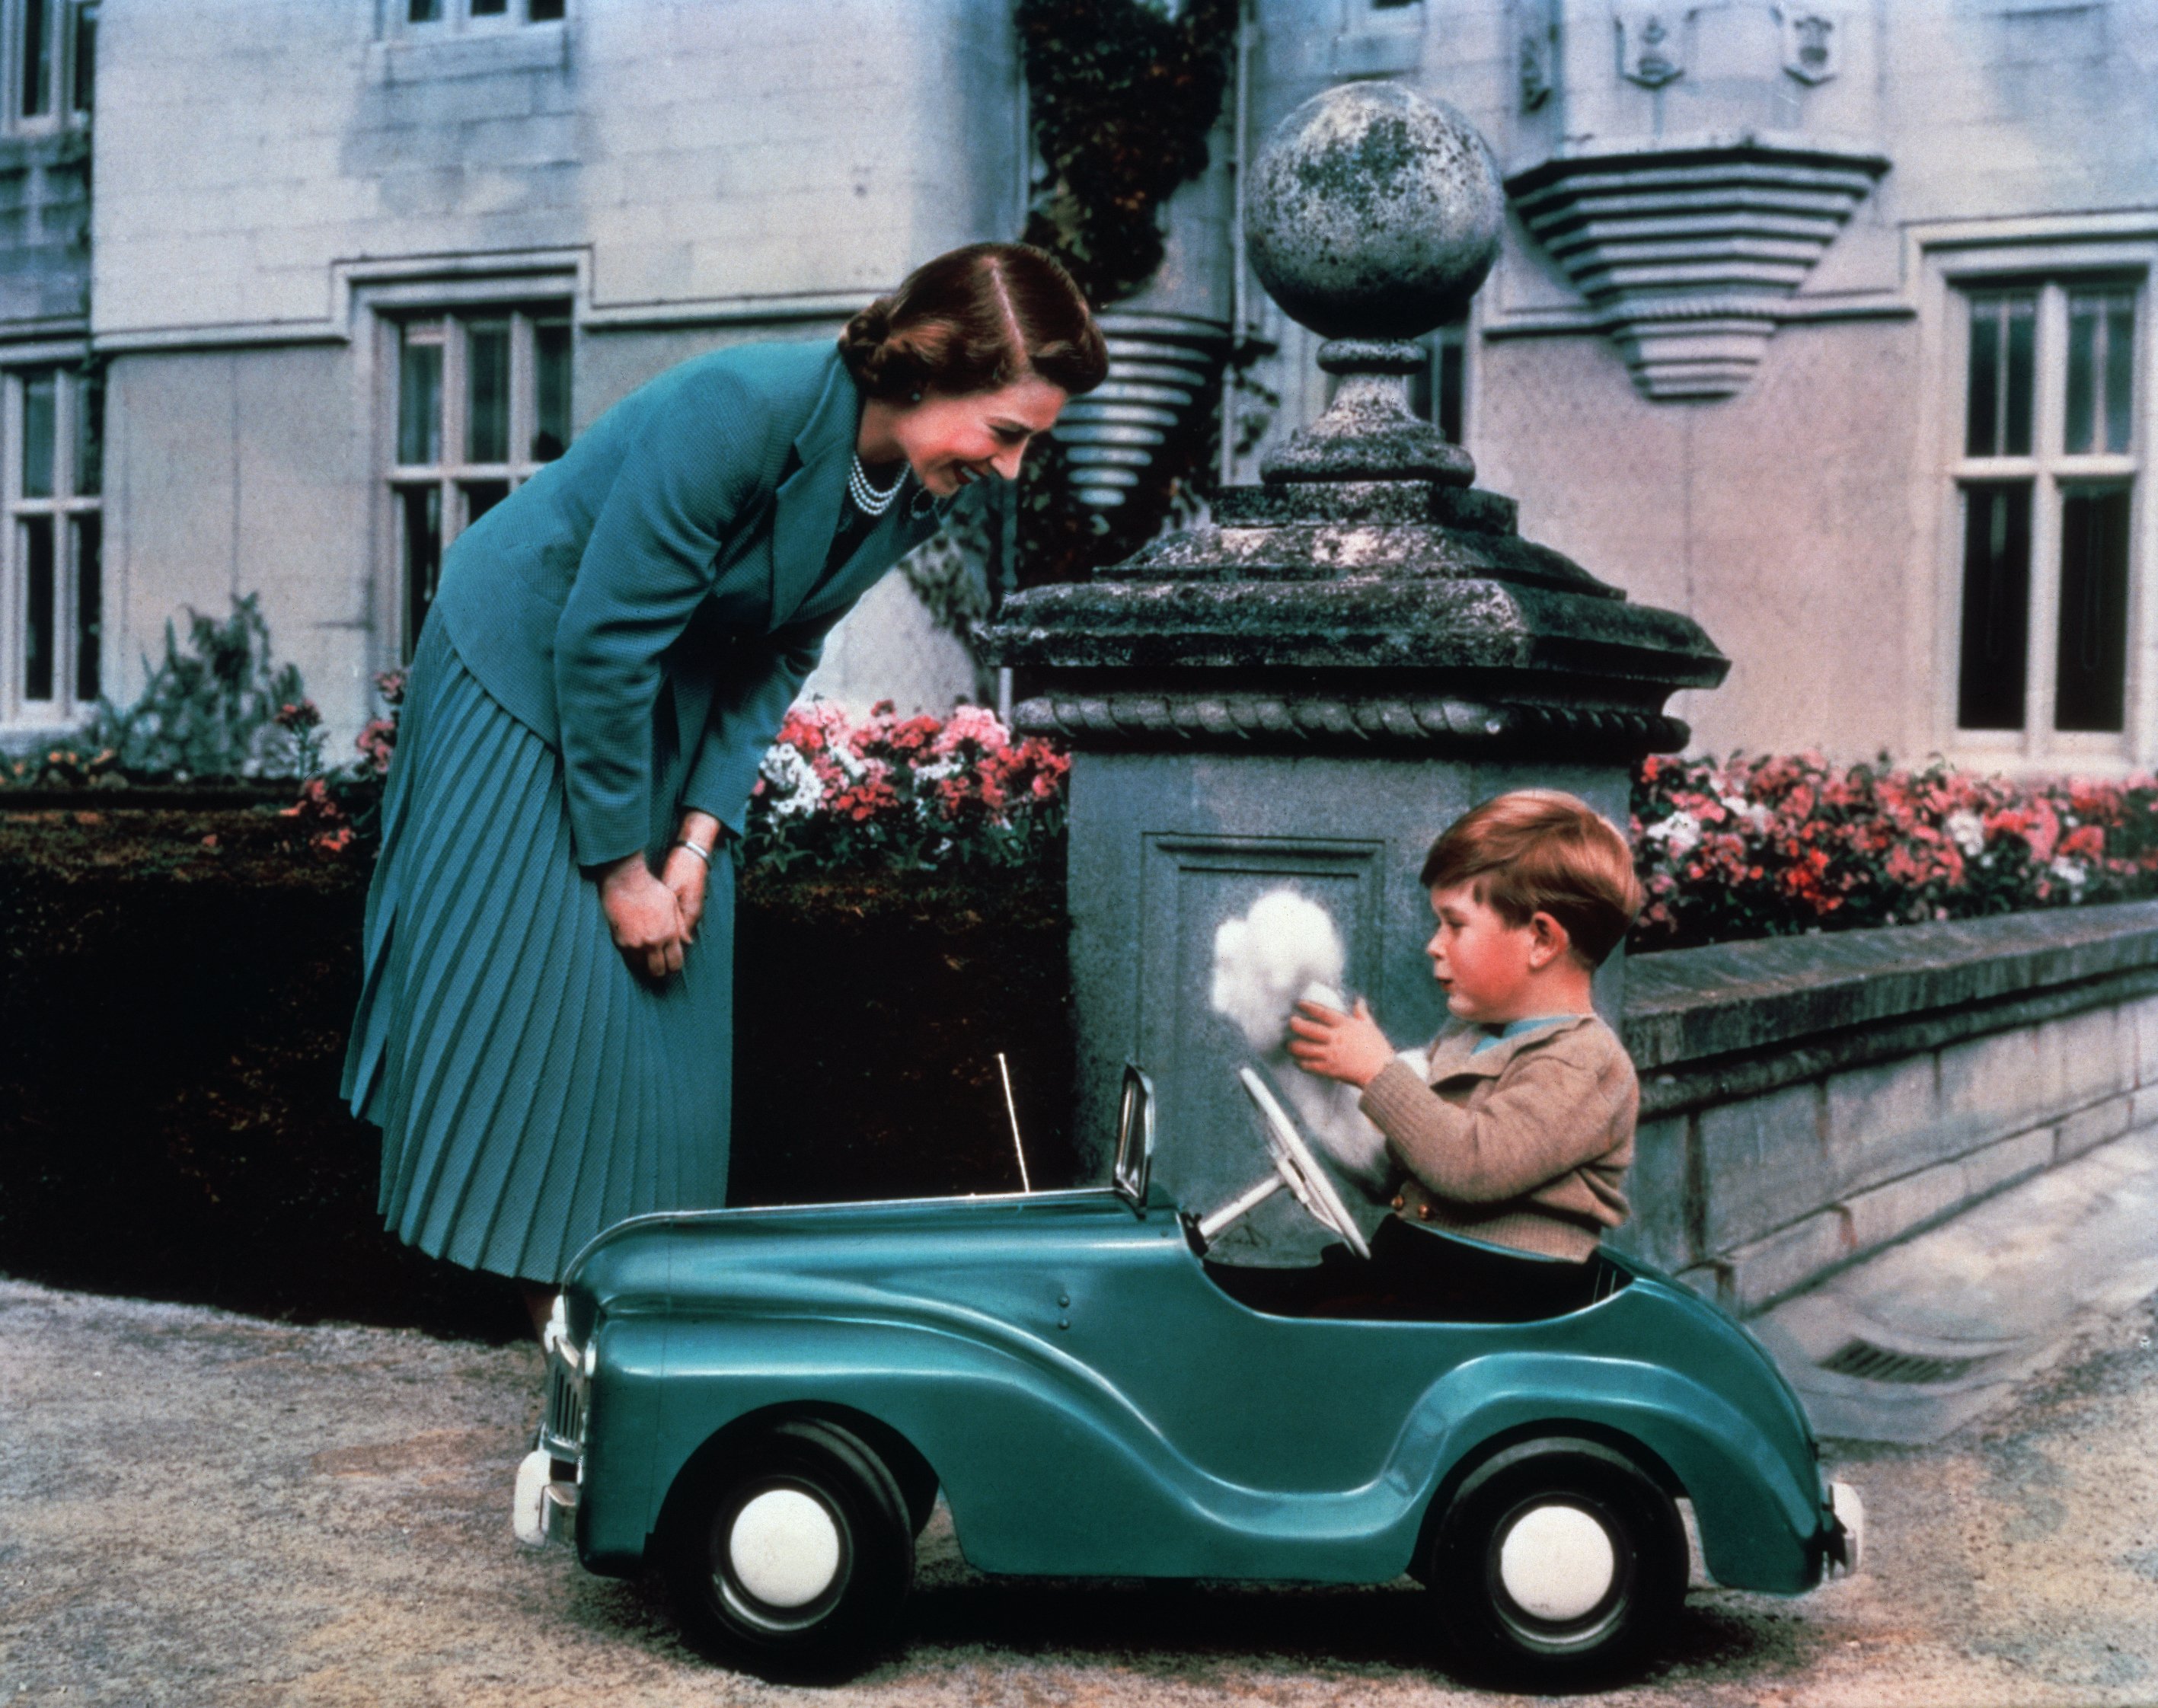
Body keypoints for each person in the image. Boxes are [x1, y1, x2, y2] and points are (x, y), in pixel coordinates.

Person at [340, 243, 1107, 1336]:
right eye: (1006, 432)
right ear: (924, 371)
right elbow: (601, 643)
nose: (1013, 469)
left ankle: (635, 1331)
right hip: (521, 665)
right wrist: (618, 870)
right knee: (553, 1005)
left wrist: (696, 841)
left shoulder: (912, 487)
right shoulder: (736, 407)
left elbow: (779, 656)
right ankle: (581, 1351)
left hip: (664, 687)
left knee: (666, 1024)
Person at [1287, 790, 1643, 1312]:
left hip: (1502, 1291)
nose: (1434, 944)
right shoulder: (1465, 1036)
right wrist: (1332, 1097)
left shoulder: (1585, 1062)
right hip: (1428, 1269)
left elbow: (1472, 1166)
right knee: (1256, 1294)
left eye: (1454, 924)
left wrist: (1378, 1073)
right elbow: (1403, 1165)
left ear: (1541, 940)